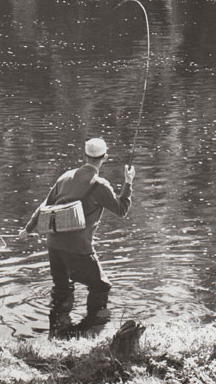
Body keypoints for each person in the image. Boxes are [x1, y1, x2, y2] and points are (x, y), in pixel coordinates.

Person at [18, 137, 135, 337]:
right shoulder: (100, 185)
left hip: (54, 244)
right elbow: (122, 210)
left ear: (84, 156)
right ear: (104, 157)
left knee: (62, 287)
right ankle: (89, 331)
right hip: (79, 248)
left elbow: (44, 206)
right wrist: (128, 182)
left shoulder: (65, 177)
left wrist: (28, 229)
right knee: (100, 286)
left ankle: (58, 332)